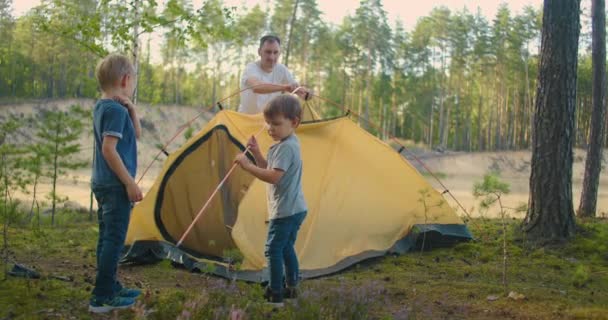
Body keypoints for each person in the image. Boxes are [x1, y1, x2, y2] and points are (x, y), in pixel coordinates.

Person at [234, 94, 308, 306]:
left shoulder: (286, 147)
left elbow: (274, 177)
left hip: (285, 211)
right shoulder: (289, 142)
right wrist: (256, 153)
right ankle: (292, 287)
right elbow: (271, 168)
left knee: (273, 249)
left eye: (276, 124)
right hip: (296, 208)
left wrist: (247, 166)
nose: (270, 128)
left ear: (294, 122)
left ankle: (276, 293)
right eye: (268, 123)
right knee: (286, 248)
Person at [89, 53, 143, 313]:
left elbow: (138, 134)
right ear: (125, 79)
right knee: (114, 239)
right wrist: (129, 183)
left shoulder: (104, 107)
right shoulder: (114, 111)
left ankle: (109, 285)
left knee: (106, 237)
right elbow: (109, 150)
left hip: (102, 183)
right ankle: (101, 297)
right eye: (132, 81)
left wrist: (131, 108)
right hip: (115, 185)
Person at [238, 35, 311, 114]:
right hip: (246, 119)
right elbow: (257, 87)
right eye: (268, 52)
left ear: (279, 53)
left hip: (269, 122)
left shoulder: (282, 69)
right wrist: (285, 87)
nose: (272, 57)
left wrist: (306, 94)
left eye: (275, 52)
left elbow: (296, 89)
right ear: (259, 52)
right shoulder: (251, 68)